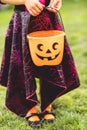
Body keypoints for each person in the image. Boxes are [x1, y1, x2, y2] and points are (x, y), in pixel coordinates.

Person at [0, 0, 80, 128]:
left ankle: (47, 104)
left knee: (50, 63)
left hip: (48, 19)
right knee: (23, 65)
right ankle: (29, 107)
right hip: (23, 20)